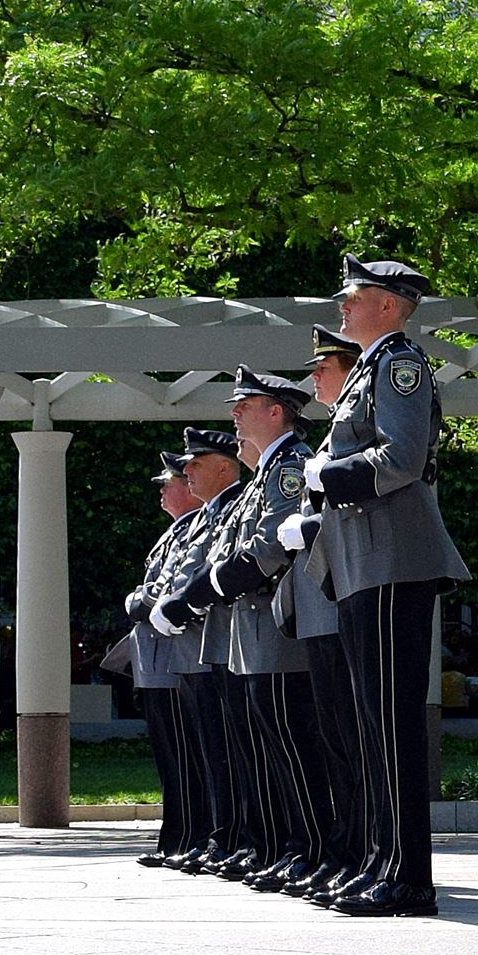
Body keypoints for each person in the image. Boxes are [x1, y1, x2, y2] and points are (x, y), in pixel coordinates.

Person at [288, 255, 470, 917]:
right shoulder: (369, 368)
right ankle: (381, 863)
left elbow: (401, 456)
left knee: (391, 725)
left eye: (354, 296)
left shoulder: (400, 364)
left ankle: (408, 879)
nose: (343, 306)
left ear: (389, 305)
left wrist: (325, 475)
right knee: (371, 726)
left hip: (392, 558)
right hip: (363, 561)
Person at [168, 367, 330, 895]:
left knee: (292, 748)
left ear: (276, 411)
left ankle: (309, 849)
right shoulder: (267, 473)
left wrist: (200, 590)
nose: (235, 415)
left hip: (277, 628)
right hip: (251, 630)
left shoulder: (289, 466)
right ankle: (285, 848)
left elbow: (265, 551)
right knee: (267, 751)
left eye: (245, 405)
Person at [271, 324, 369, 904]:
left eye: (323, 368)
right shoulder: (332, 435)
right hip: (324, 603)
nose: (314, 379)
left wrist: (307, 527)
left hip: (339, 600)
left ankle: (357, 853)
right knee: (336, 743)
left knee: (351, 742)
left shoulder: (339, 436)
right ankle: (346, 853)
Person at [148, 429, 247, 875]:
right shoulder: (209, 516)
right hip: (195, 650)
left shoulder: (228, 509)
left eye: (195, 464)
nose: (186, 473)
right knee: (207, 755)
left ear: (224, 467)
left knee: (230, 755)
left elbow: (201, 577)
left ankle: (237, 841)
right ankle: (218, 840)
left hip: (218, 645)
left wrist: (168, 603)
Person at [125, 451, 203, 868]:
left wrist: (138, 600)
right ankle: (176, 836)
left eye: (168, 483)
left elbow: (167, 590)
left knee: (183, 756)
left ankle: (186, 838)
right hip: (158, 660)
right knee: (170, 757)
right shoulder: (177, 532)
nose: (163, 490)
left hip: (173, 659)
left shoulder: (194, 528)